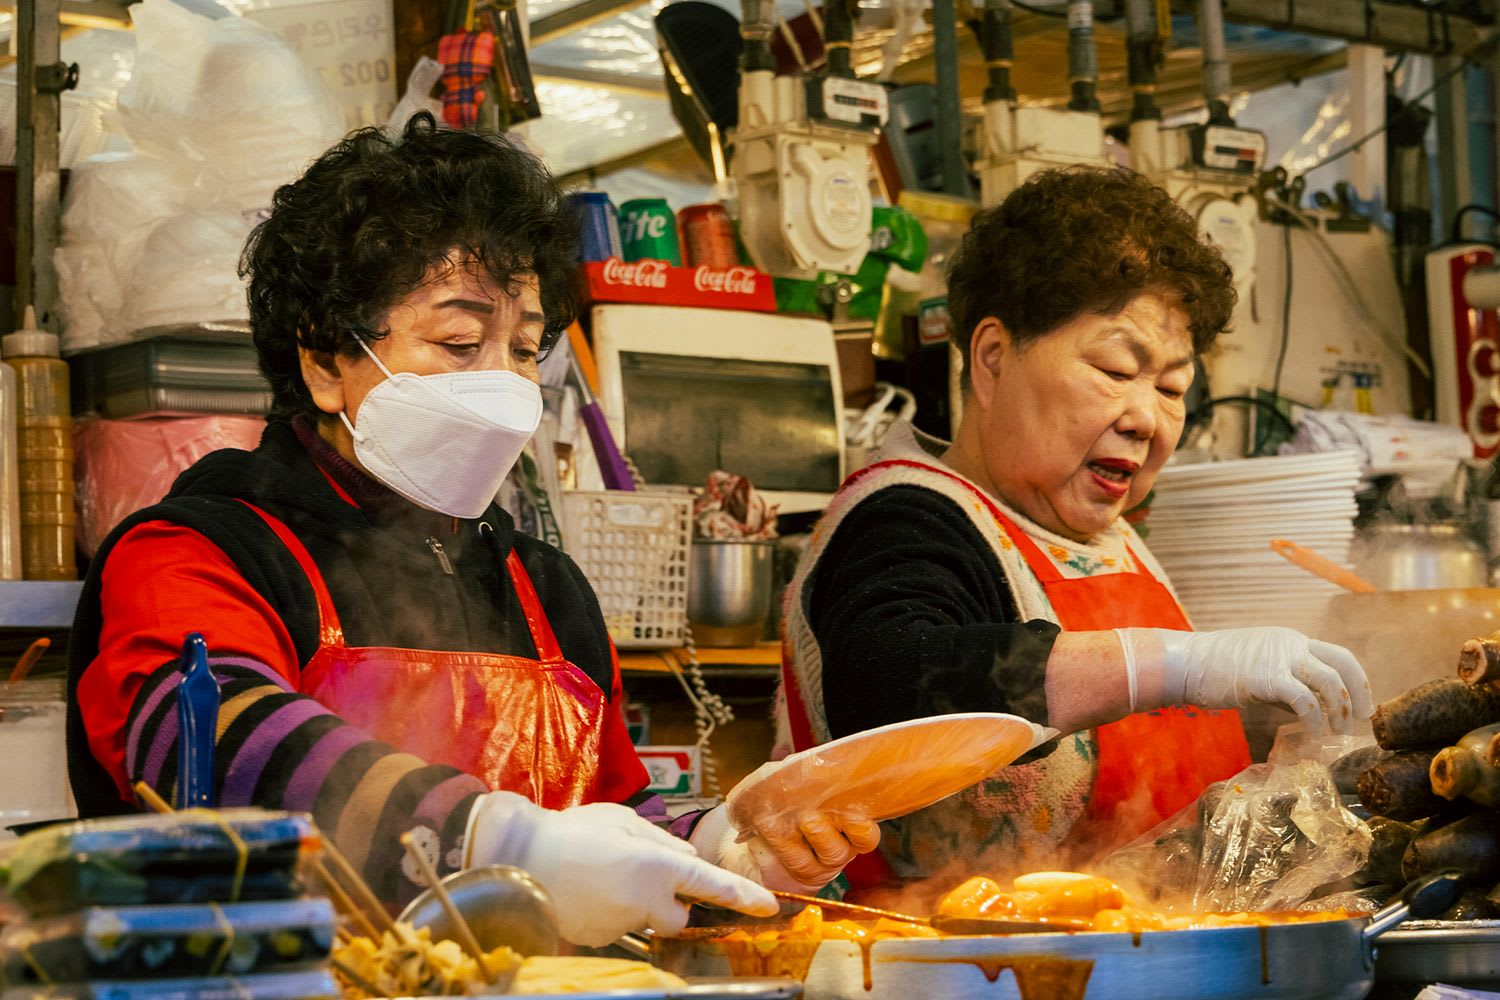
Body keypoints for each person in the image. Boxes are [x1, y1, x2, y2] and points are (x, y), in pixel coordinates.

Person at [67, 113, 876, 945]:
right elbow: (212, 741)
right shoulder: (198, 553)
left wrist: (719, 857)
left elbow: (612, 823)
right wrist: (488, 843)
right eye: (458, 341)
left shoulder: (544, 591)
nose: (503, 384)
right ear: (321, 363)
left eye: (524, 349)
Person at [778, 166, 1374, 894]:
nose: (1146, 419)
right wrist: (1171, 666)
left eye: (1171, 388)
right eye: (1115, 370)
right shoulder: (905, 517)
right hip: (957, 972)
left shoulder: (1112, 541)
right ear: (992, 358)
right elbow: (890, 676)